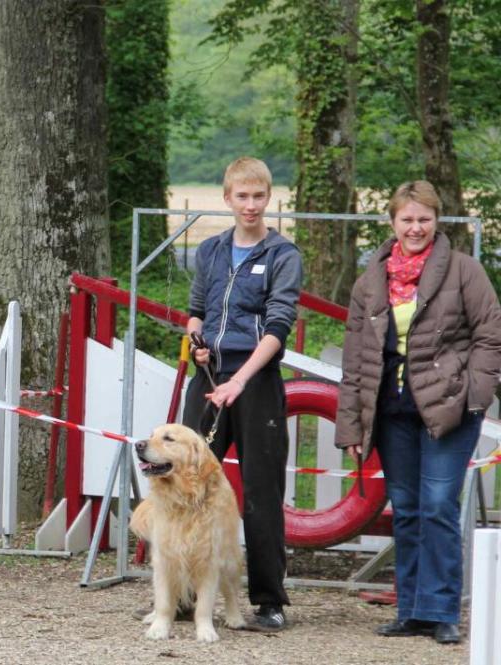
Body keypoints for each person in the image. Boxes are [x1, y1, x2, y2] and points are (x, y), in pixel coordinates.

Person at [336, 180, 501, 645]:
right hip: (392, 411)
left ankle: (442, 609)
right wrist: (351, 420)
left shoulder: (465, 271)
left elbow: (491, 335)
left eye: (424, 219)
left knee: (438, 508)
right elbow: (355, 355)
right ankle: (410, 609)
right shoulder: (371, 280)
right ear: (392, 222)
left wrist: (476, 393)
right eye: (407, 219)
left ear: (437, 221)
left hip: (449, 407)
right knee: (407, 510)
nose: (415, 227)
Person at [182, 156, 301, 632]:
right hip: (210, 381)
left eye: (258, 196)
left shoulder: (282, 255)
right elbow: (195, 311)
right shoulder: (209, 251)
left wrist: (240, 379)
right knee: (188, 482)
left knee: (261, 492)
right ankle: (190, 596)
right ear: (228, 198)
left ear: (268, 199)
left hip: (256, 382)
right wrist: (196, 344)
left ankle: (269, 600)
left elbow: (278, 325)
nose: (250, 205)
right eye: (241, 196)